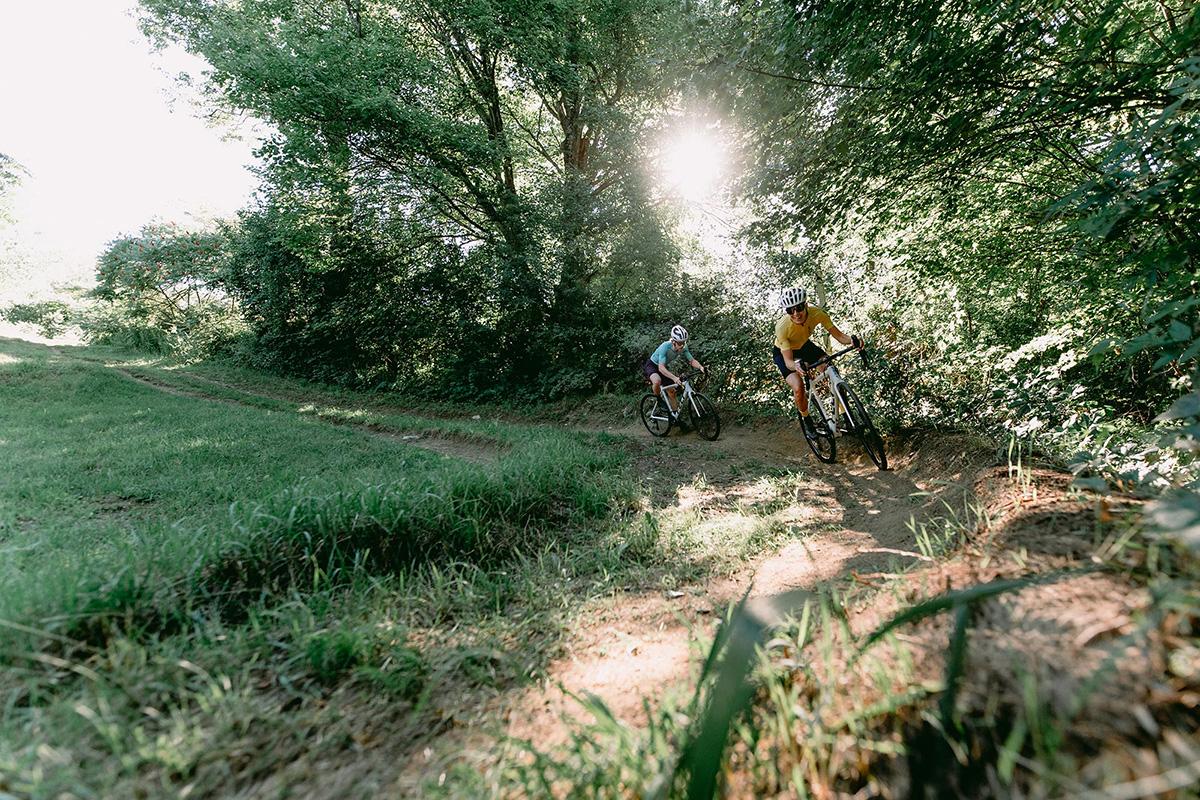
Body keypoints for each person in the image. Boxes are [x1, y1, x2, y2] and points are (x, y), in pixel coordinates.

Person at [772, 287, 863, 439]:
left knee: (831, 370)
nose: (796, 314)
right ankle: (807, 421)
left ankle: (847, 416)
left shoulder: (817, 314)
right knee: (798, 387)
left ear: (806, 305)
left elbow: (840, 336)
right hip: (784, 354)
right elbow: (788, 361)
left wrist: (853, 341)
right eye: (790, 311)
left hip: (805, 346)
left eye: (799, 308)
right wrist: (796, 365)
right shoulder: (782, 327)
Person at [642, 324, 706, 420]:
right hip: (652, 365)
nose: (682, 345)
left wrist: (701, 367)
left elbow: (692, 361)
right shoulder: (665, 347)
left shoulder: (684, 347)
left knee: (672, 392)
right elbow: (661, 368)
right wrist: (674, 378)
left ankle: (675, 417)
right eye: (680, 343)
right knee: (657, 381)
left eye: (684, 342)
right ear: (673, 341)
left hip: (662, 367)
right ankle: (658, 399)